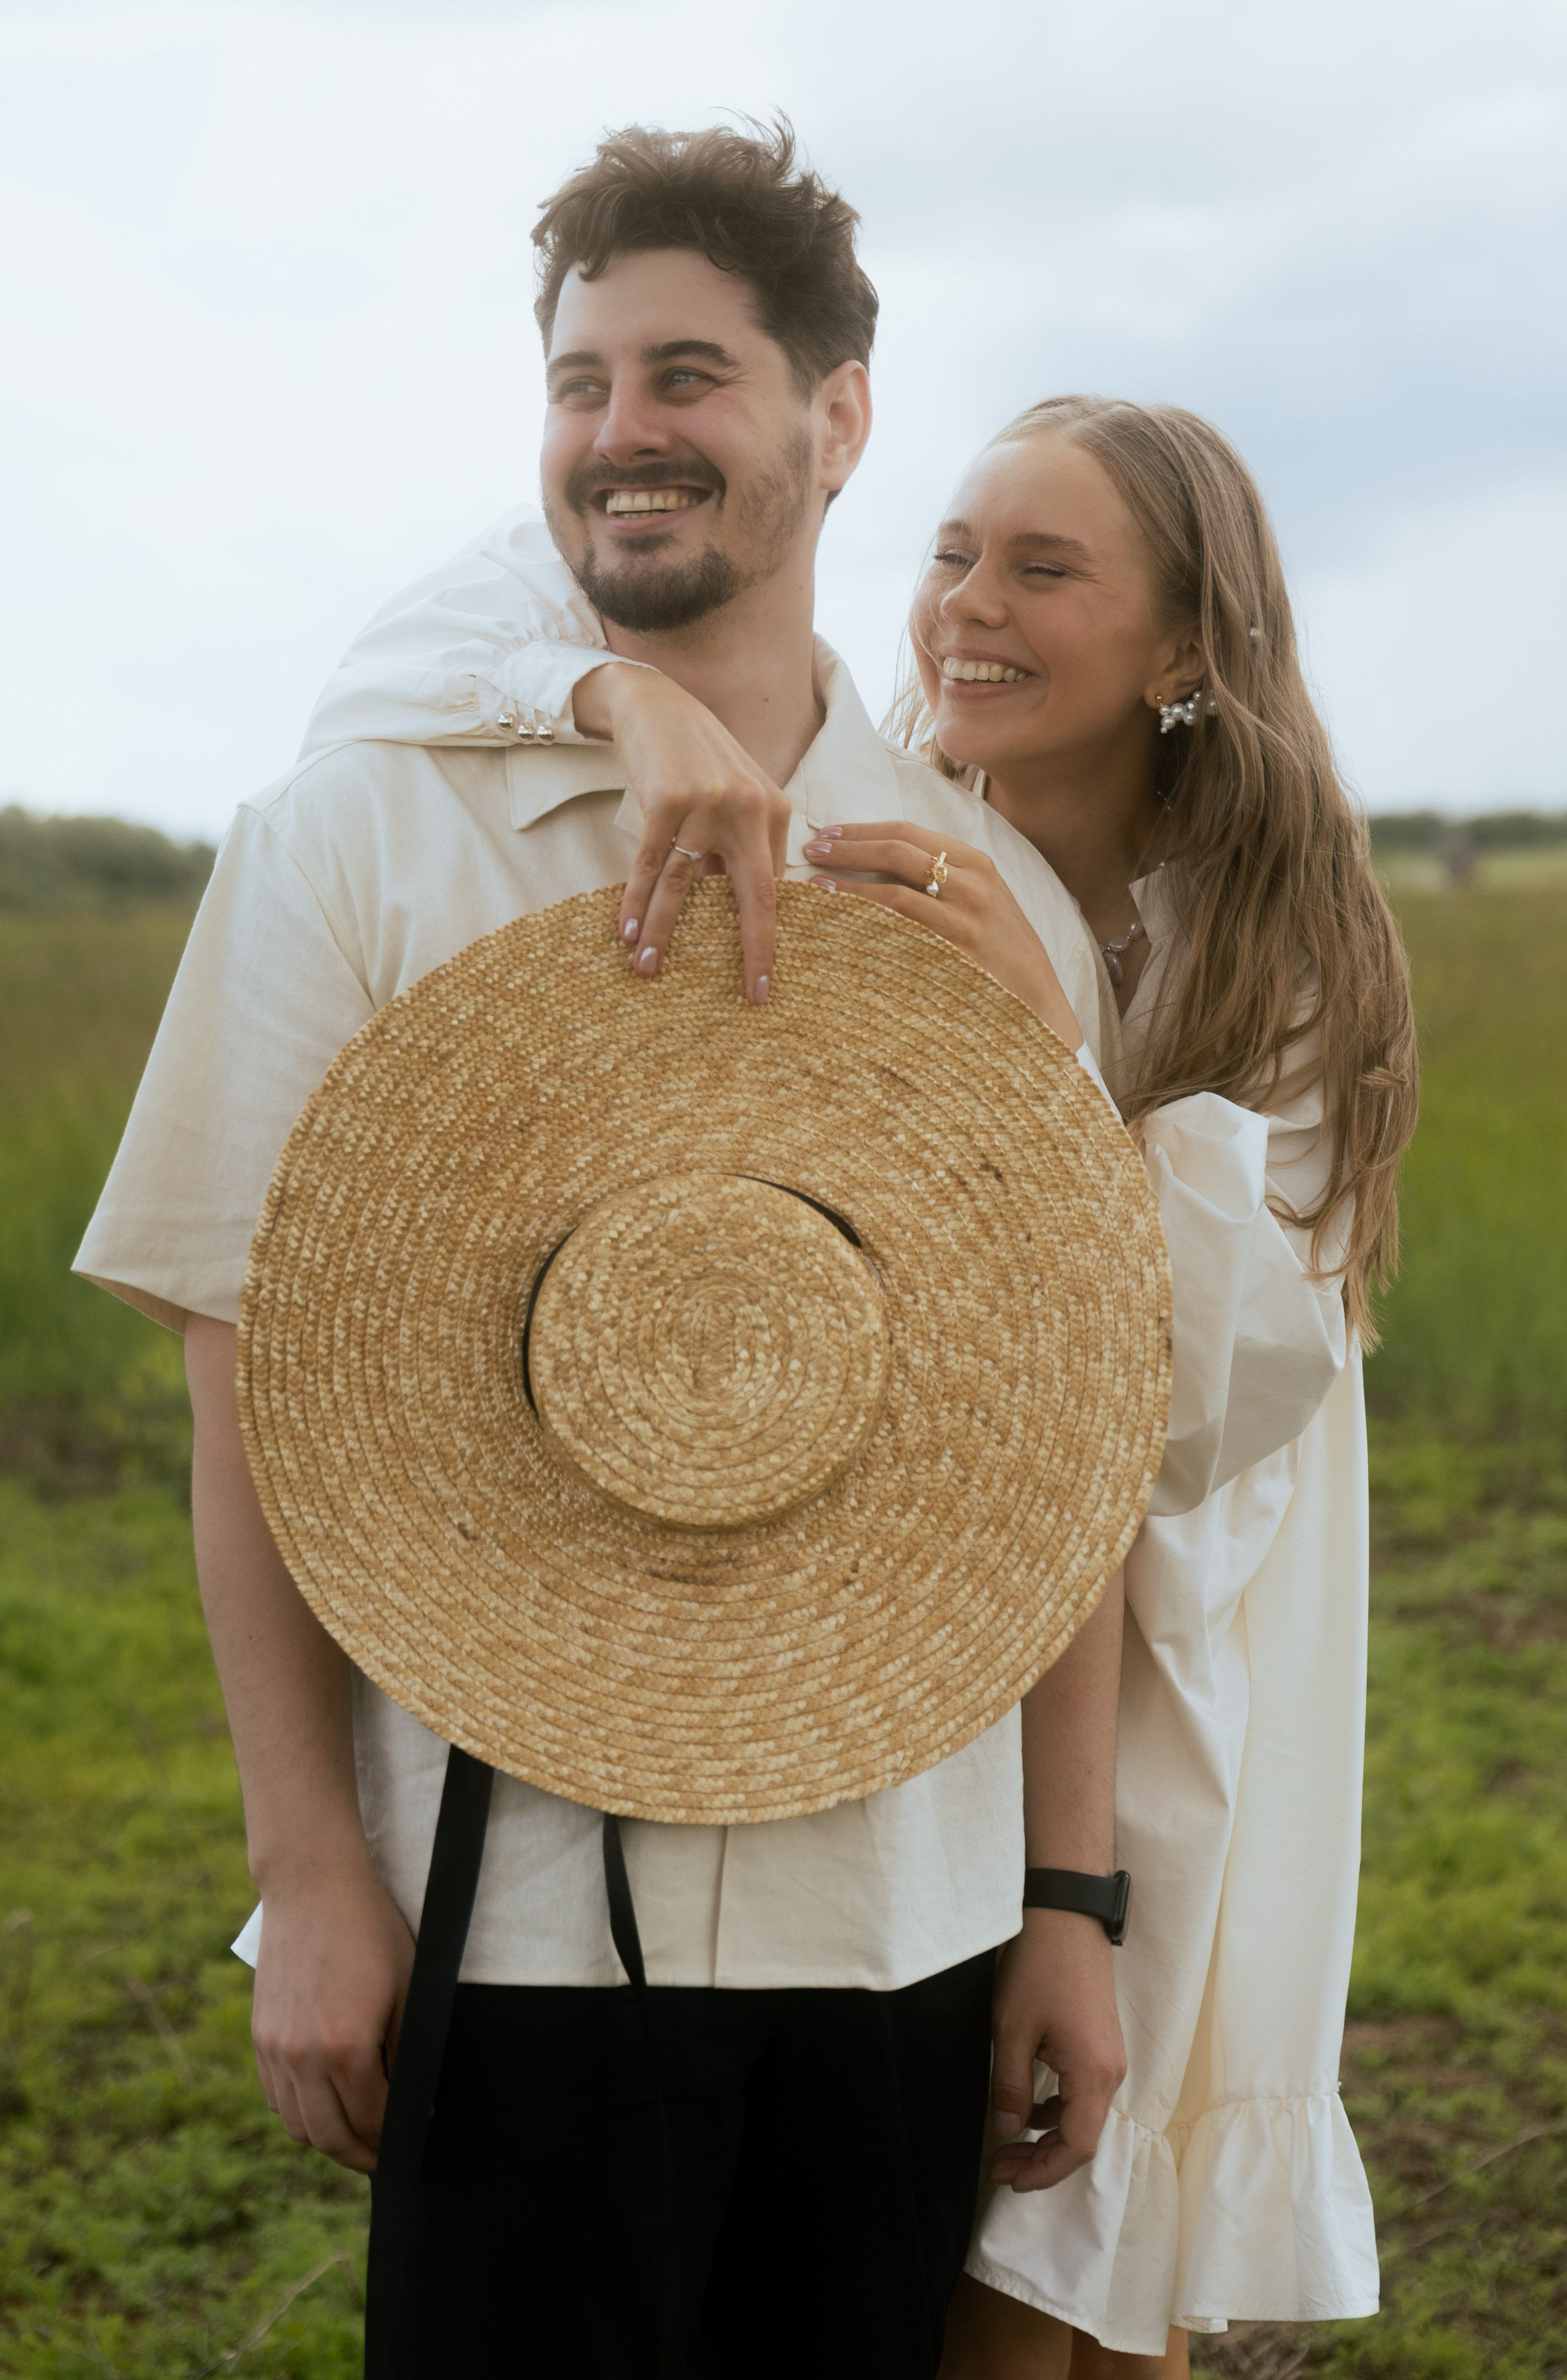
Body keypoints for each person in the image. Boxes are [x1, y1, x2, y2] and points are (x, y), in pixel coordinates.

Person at [73, 124, 1141, 2379]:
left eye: (690, 374)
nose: (623, 435)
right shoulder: (359, 833)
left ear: (839, 417)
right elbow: (241, 1374)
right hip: (514, 1928)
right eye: (579, 384)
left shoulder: (989, 898)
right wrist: (313, 1878)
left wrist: (1064, 1900)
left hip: (908, 1926)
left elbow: (1064, 1432)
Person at [309, 394, 1419, 2371]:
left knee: (1087, 2269)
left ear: (1185, 651)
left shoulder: (1281, 944)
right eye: (952, 551)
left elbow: (1201, 1408)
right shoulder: (866, 808)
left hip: (1167, 1661)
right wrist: (616, 697)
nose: (965, 607)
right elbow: (402, 653)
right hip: (893, 1626)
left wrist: (1044, 1067)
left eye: (1044, 569)